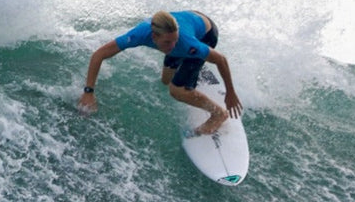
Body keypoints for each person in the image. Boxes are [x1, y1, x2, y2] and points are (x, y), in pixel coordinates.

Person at [77, 10, 243, 135]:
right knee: (166, 80)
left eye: (174, 40)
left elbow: (221, 59)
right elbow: (99, 55)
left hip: (205, 34)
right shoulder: (140, 34)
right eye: (167, 42)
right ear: (153, 37)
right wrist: (88, 92)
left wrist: (231, 92)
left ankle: (218, 114)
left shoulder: (185, 43)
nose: (172, 45)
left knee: (176, 91)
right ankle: (191, 70)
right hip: (190, 23)